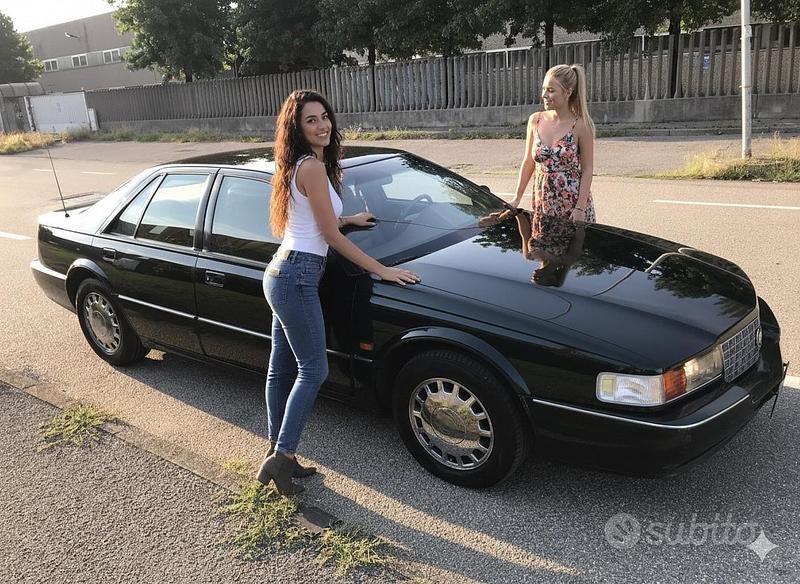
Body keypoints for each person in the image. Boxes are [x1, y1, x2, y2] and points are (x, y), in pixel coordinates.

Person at [256, 90, 421, 496]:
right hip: (296, 276)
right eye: (311, 120)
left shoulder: (298, 165)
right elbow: (328, 236)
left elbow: (316, 220)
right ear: (297, 127)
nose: (322, 124)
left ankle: (280, 455)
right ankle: (282, 456)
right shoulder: (311, 166)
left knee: (282, 370)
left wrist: (349, 217)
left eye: (325, 116)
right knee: (314, 370)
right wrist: (382, 269)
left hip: (281, 272)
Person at [506, 64, 596, 228]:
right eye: (544, 89)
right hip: (543, 203)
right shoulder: (536, 120)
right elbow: (528, 162)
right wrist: (516, 198)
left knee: (574, 253)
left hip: (572, 206)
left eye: (551, 90)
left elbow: (588, 169)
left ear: (568, 92)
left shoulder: (581, 125)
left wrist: (580, 208)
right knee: (543, 251)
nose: (544, 95)